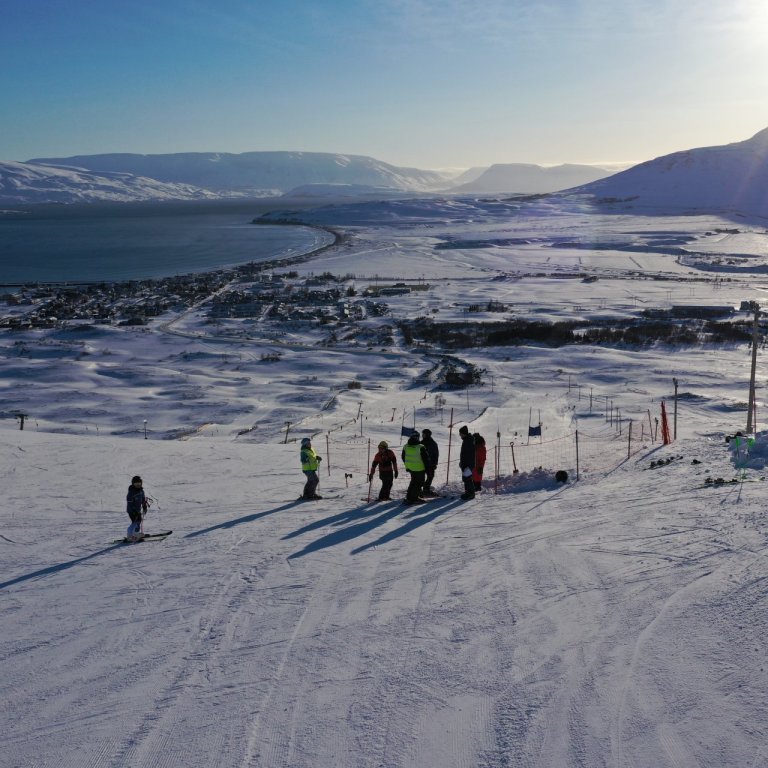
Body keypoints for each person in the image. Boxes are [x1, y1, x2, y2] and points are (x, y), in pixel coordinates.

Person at [401, 433, 430, 504]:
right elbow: (426, 459)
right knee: (419, 484)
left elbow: (403, 457)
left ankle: (409, 497)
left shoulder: (405, 446)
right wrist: (427, 469)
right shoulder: (420, 447)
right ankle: (414, 498)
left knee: (413, 482)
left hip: (411, 469)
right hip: (420, 469)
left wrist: (407, 466)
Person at [126, 475, 149, 540]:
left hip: (137, 510)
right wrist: (134, 511)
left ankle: (132, 534)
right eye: (136, 484)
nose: (138, 485)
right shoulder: (131, 492)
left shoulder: (141, 491)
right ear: (133, 484)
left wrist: (144, 506)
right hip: (131, 510)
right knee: (137, 521)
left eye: (139, 483)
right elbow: (130, 503)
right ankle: (133, 534)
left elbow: (143, 499)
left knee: (137, 521)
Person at [458, 425, 476, 500]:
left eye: (461, 434)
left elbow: (470, 455)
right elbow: (464, 454)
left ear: (464, 433)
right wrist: (462, 463)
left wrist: (467, 465)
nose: (460, 435)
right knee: (466, 478)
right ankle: (468, 492)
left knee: (467, 478)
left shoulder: (469, 440)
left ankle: (471, 493)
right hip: (466, 464)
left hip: (469, 464)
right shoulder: (466, 440)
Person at [420, 428, 439, 497]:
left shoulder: (433, 443)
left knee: (430, 476)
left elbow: (436, 454)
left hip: (430, 464)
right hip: (421, 464)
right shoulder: (421, 443)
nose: (422, 435)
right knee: (420, 477)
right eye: (422, 434)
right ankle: (419, 490)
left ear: (427, 435)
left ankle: (426, 489)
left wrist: (435, 463)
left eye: (423, 434)